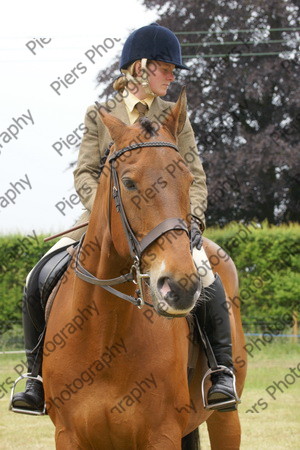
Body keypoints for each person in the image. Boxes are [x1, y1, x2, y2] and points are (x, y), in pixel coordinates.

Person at [11, 23, 238, 414]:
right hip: (101, 224)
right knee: (38, 277)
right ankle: (35, 378)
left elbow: (194, 176)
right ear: (141, 68)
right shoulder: (100, 115)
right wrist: (103, 211)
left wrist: (192, 220)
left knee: (207, 277)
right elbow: (84, 172)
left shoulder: (174, 116)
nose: (172, 76)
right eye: (166, 68)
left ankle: (220, 372)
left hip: (167, 225)